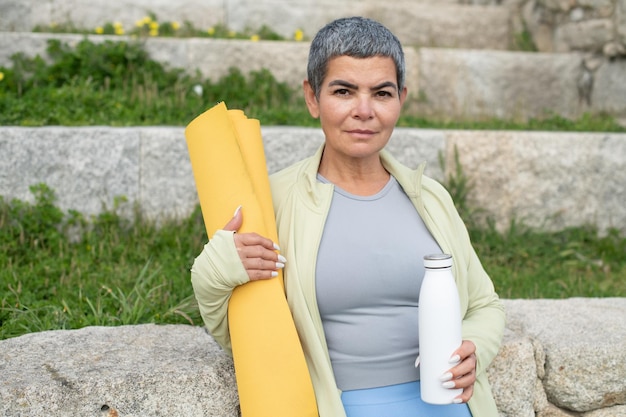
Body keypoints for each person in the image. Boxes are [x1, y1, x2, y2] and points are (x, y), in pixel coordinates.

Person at [191, 16, 505, 417]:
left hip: (447, 406)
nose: (364, 110)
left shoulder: (431, 198)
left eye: (381, 93)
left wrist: (473, 346)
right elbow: (234, 333)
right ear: (312, 97)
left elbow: (485, 306)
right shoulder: (273, 201)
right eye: (343, 91)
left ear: (401, 100)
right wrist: (219, 267)